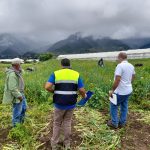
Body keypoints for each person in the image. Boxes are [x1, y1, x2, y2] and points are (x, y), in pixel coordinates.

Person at [45, 58, 86, 150]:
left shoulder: (56, 73)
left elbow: (47, 87)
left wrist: (54, 91)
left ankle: (54, 145)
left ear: (61, 65)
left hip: (59, 103)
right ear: (69, 65)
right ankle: (67, 143)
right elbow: (82, 90)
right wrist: (84, 96)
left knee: (57, 123)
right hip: (71, 103)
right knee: (67, 122)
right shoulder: (76, 74)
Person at [107, 52, 135, 129]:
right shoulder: (131, 66)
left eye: (117, 57)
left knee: (114, 105)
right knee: (124, 106)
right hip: (128, 90)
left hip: (120, 91)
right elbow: (133, 76)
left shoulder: (120, 66)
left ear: (120, 57)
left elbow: (117, 79)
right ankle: (122, 122)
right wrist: (128, 83)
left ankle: (114, 123)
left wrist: (112, 90)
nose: (117, 59)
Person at [3, 58, 27, 127]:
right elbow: (13, 88)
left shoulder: (17, 72)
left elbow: (22, 72)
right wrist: (19, 96)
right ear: (17, 65)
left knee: (24, 108)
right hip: (17, 95)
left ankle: (21, 123)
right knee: (17, 111)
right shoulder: (12, 74)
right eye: (20, 64)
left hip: (21, 93)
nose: (21, 66)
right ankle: (16, 127)